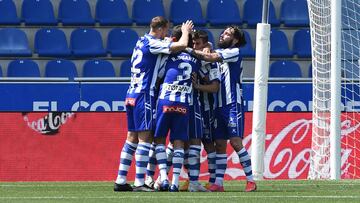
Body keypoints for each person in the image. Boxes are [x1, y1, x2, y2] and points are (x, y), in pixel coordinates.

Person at [114, 16, 193, 192]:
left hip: (131, 93)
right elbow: (180, 46)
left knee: (131, 138)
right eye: (165, 30)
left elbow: (165, 44)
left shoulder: (141, 40)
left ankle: (120, 179)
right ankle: (140, 182)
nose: (166, 34)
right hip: (144, 94)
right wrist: (186, 32)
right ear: (160, 28)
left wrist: (168, 39)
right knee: (146, 137)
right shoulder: (153, 43)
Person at [185, 26, 257, 192]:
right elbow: (209, 49)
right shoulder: (218, 52)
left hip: (233, 104)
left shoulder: (234, 52)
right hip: (218, 106)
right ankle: (218, 183)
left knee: (236, 142)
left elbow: (212, 56)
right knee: (219, 144)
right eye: (223, 32)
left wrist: (187, 48)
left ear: (236, 39)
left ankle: (251, 180)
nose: (223, 35)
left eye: (228, 34)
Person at [153, 25, 201, 192]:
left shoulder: (168, 54)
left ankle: (163, 178)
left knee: (159, 139)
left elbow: (158, 76)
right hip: (184, 103)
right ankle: (174, 183)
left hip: (166, 100)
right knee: (179, 142)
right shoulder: (195, 58)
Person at [179, 30, 220, 192]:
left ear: (205, 45)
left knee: (208, 144)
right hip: (190, 107)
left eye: (198, 44)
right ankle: (191, 179)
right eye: (193, 43)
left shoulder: (211, 62)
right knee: (186, 143)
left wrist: (198, 86)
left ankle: (212, 180)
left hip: (206, 108)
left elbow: (215, 87)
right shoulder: (191, 59)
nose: (194, 46)